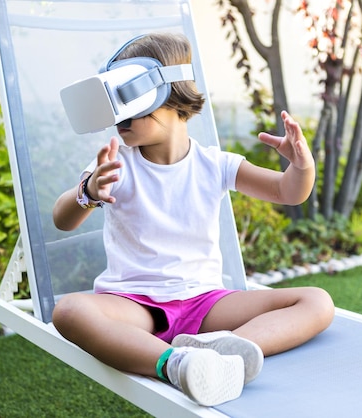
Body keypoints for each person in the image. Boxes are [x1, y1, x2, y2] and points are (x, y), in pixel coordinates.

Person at [52, 32, 335, 407]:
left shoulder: (215, 164)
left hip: (206, 304)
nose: (118, 117)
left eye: (127, 102)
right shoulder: (117, 164)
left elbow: (287, 191)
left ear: (171, 96)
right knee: (70, 311)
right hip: (137, 306)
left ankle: (227, 354)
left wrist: (302, 166)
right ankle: (176, 363)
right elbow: (62, 219)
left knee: (317, 302)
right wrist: (86, 193)